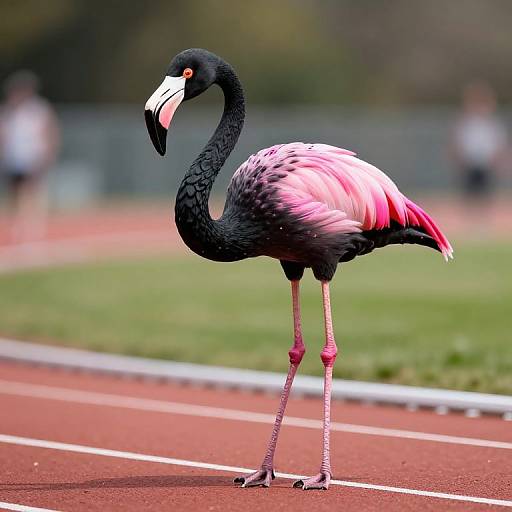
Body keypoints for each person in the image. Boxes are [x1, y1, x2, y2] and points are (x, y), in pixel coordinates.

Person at [0, 70, 60, 243]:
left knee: (31, 194)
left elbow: (50, 133)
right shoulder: (8, 111)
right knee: (14, 195)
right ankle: (16, 228)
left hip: (33, 158)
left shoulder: (39, 111)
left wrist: (47, 155)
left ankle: (32, 230)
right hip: (13, 159)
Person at [450, 81, 508, 202]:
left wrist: (499, 162)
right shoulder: (464, 123)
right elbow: (457, 143)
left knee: (486, 197)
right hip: (469, 165)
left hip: (486, 165)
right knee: (469, 197)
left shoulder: (493, 124)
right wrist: (458, 160)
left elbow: (499, 145)